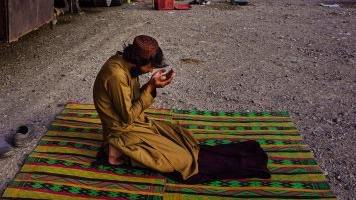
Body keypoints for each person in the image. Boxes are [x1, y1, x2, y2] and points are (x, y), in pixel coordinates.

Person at [93, 35, 270, 183]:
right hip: (123, 129)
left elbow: (130, 101)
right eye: (149, 67)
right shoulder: (116, 74)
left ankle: (119, 149)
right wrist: (149, 88)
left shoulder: (127, 65)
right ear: (138, 60)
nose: (150, 71)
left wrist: (152, 86)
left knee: (180, 137)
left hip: (133, 123)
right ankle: (115, 147)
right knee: (183, 161)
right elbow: (127, 116)